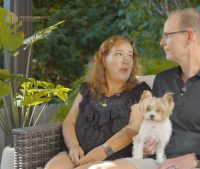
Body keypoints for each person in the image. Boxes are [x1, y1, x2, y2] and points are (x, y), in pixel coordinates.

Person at [88, 8, 200, 169]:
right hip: (157, 163)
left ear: (189, 37)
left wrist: (196, 160)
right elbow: (152, 130)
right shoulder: (162, 80)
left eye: (167, 35)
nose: (162, 42)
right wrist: (147, 147)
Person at [44, 35, 151, 169]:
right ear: (103, 60)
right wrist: (74, 147)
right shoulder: (88, 89)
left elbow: (133, 129)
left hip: (114, 158)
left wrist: (103, 151)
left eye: (130, 56)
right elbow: (69, 121)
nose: (126, 61)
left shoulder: (140, 91)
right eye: (119, 54)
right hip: (77, 154)